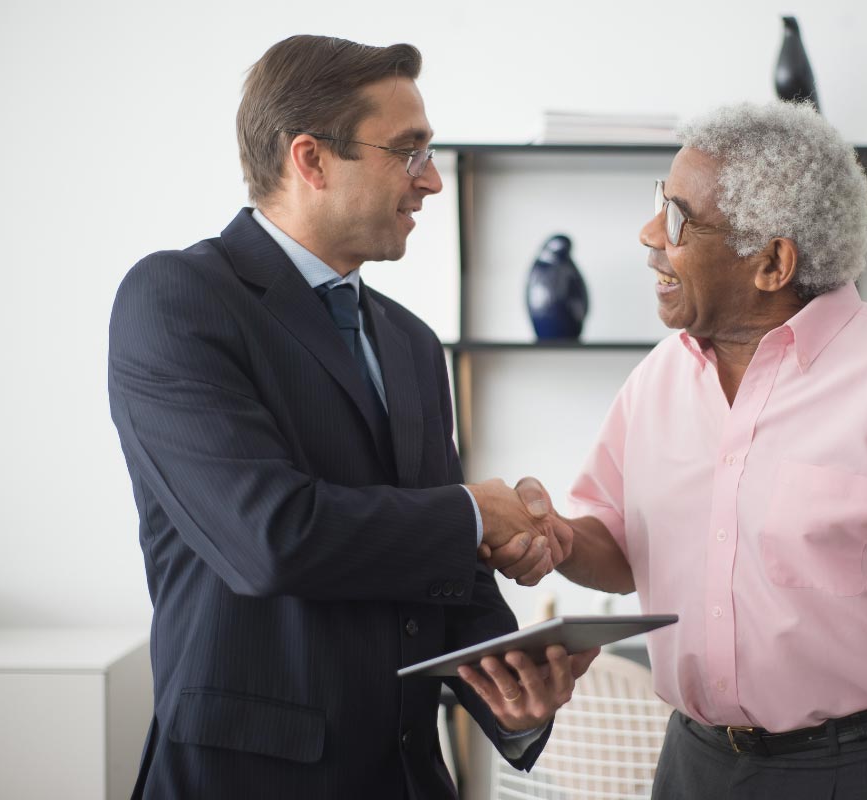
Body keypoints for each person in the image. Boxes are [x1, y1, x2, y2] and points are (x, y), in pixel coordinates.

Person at [507, 102, 867, 799]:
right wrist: (555, 538)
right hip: (693, 762)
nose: (649, 236)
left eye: (677, 218)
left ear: (772, 262)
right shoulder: (658, 378)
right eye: (658, 204)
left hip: (861, 767)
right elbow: (618, 550)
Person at [108, 35, 593, 800]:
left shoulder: (411, 342)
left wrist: (516, 688)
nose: (431, 180)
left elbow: (443, 573)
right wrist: (475, 514)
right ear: (311, 159)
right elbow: (271, 537)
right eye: (408, 151)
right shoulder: (175, 300)